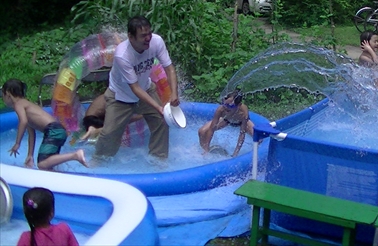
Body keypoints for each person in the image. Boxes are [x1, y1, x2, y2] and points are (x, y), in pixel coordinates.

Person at [94, 16, 179, 159]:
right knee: (109, 133)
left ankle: (159, 159)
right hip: (120, 96)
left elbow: (169, 68)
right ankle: (99, 159)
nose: (148, 39)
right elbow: (135, 88)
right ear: (131, 37)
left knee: (161, 121)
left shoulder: (156, 41)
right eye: (143, 36)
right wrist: (158, 107)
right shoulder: (122, 55)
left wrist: (174, 94)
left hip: (146, 88)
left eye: (149, 34)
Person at [3, 79, 88, 170]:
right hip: (58, 130)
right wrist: (30, 155)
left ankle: (75, 155)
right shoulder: (26, 105)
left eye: (2, 95)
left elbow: (23, 121)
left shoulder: (19, 104)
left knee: (42, 164)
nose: (2, 98)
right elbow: (32, 134)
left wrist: (17, 143)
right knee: (48, 165)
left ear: (8, 93)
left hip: (53, 130)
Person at [198, 89, 254, 157]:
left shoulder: (243, 112)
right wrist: (206, 150)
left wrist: (235, 153)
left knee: (258, 139)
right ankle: (205, 149)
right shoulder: (221, 109)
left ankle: (255, 155)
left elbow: (242, 134)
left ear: (238, 105)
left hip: (241, 122)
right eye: (225, 104)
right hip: (227, 120)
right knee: (202, 131)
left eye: (230, 106)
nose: (226, 107)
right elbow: (212, 128)